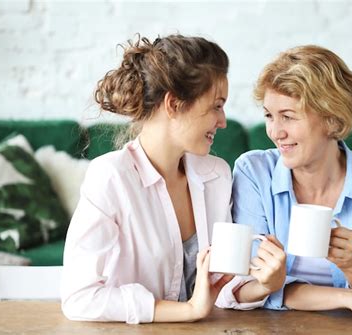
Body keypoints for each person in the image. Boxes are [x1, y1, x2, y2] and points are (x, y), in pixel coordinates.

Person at [216, 45, 352, 327]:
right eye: (269, 115)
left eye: (288, 116)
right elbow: (251, 284)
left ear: (331, 118)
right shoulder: (253, 171)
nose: (275, 133)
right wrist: (348, 298)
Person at [61, 34, 233, 324]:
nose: (223, 120)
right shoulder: (111, 177)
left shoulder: (217, 174)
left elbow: (226, 286)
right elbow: (79, 298)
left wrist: (262, 283)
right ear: (174, 104)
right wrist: (189, 311)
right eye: (216, 105)